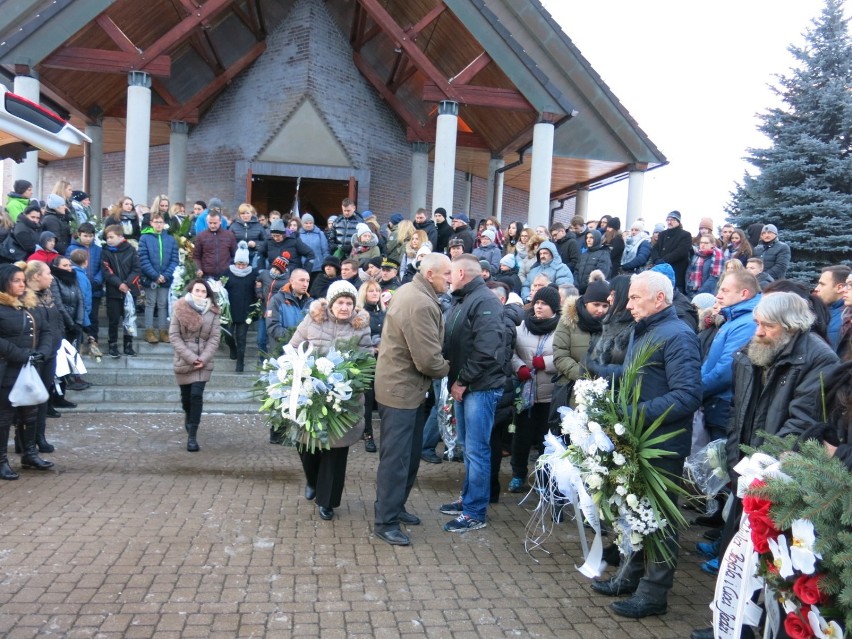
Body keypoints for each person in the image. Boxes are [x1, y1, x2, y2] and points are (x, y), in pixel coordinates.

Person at [591, 270, 702, 620]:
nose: (628, 304)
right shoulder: (645, 330)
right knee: (635, 513)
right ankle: (630, 575)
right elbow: (637, 377)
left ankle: (654, 593)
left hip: (662, 444)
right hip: (637, 439)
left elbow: (687, 395)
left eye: (635, 298)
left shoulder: (678, 335)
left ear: (659, 299)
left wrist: (633, 413)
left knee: (660, 520)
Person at [373, 254, 452, 545]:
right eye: (446, 274)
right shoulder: (418, 302)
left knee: (406, 456)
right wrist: (449, 367)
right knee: (396, 460)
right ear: (430, 273)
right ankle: (385, 521)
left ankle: (395, 508)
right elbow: (428, 361)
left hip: (406, 389)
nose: (451, 279)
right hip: (400, 391)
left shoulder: (414, 291)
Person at [289, 280, 373, 521]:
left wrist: (348, 382)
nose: (345, 307)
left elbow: (367, 361)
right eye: (340, 302)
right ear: (331, 302)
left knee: (335, 453)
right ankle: (313, 481)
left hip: (343, 399)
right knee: (306, 446)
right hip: (310, 396)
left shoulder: (360, 327)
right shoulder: (313, 319)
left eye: (349, 303)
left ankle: (327, 501)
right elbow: (293, 347)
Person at [439, 254, 506, 532]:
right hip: (465, 386)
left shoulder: (485, 301)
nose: (447, 279)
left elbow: (486, 348)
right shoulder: (464, 300)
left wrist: (463, 380)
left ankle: (475, 512)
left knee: (477, 450)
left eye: (450, 274)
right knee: (468, 448)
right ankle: (469, 499)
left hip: (479, 387)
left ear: (463, 274)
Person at [0, 263, 55, 479]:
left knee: (30, 412)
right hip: (6, 369)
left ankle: (29, 454)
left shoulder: (30, 304)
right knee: (4, 416)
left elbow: (46, 330)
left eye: (23, 280)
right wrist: (22, 354)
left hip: (29, 368)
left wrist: (42, 351)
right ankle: (1, 460)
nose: (22, 285)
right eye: (16, 281)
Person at [507, 285, 561, 493]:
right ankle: (518, 474)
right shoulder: (521, 327)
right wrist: (518, 367)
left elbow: (564, 356)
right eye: (537, 303)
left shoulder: (561, 329)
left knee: (545, 439)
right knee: (521, 437)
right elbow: (511, 352)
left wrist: (545, 363)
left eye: (544, 304)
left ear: (554, 307)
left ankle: (543, 478)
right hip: (525, 394)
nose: (539, 307)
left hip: (549, 395)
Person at [701, 271, 761, 443]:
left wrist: (696, 390)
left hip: (724, 405)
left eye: (725, 291)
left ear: (744, 293)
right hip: (716, 401)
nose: (718, 296)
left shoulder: (747, 323)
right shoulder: (734, 317)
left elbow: (726, 370)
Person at [169, 279, 221, 451]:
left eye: (203, 291)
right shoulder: (180, 309)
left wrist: (203, 358)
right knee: (186, 398)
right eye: (197, 290)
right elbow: (174, 336)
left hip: (203, 361)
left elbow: (214, 338)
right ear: (191, 291)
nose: (200, 294)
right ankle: (188, 416)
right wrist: (191, 358)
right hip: (184, 360)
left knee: (196, 396)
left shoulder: (213, 312)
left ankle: (192, 435)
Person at [138, 212, 179, 344]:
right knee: (150, 304)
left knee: (163, 304)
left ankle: (163, 331)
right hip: (151, 278)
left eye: (161, 222)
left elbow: (174, 259)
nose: (158, 225)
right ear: (151, 223)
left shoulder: (170, 239)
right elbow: (143, 259)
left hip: (165, 278)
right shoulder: (145, 238)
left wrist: (165, 275)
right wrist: (155, 275)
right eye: (156, 222)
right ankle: (149, 331)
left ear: (164, 224)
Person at [102, 224, 142, 358]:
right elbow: (106, 271)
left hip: (130, 291)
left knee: (129, 318)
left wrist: (127, 283)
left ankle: (128, 344)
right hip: (114, 291)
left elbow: (136, 269)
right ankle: (112, 344)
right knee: (113, 319)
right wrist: (119, 284)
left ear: (120, 236)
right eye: (107, 237)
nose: (109, 240)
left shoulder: (131, 250)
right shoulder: (106, 251)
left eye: (111, 237)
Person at [585, 275, 634, 381]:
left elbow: (630, 370)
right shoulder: (608, 322)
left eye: (612, 294)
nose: (608, 299)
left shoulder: (634, 328)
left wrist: (598, 369)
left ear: (623, 296)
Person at [357, 280, 386, 453]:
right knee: (367, 400)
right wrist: (373, 346)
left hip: (384, 361)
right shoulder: (359, 313)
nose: (375, 293)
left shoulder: (384, 312)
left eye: (377, 290)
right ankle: (367, 434)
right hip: (367, 361)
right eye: (371, 291)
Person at [67, 223, 104, 347]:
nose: (88, 238)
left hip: (95, 288)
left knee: (93, 316)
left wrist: (97, 280)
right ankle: (79, 341)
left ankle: (93, 341)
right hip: (77, 288)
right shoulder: (71, 249)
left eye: (90, 236)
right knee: (79, 315)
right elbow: (68, 266)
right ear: (79, 235)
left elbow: (102, 267)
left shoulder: (98, 250)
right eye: (85, 236)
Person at [224, 242, 258, 372]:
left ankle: (240, 363)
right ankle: (232, 348)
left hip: (245, 311)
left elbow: (257, 290)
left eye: (243, 264)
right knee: (228, 334)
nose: (241, 266)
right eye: (239, 264)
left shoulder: (253, 274)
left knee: (242, 338)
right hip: (230, 311)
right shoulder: (228, 273)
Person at [266, 268, 312, 353]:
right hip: (282, 355)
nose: (305, 284)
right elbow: (273, 327)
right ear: (291, 281)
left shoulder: (311, 303)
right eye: (302, 280)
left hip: (304, 355)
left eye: (307, 281)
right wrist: (297, 337)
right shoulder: (277, 300)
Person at [649, 210, 693, 293]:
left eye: (672, 219)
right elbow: (655, 249)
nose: (669, 222)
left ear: (678, 221)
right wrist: (656, 259)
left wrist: (664, 260)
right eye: (668, 219)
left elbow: (680, 252)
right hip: (660, 272)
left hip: (676, 273)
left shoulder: (685, 235)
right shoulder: (662, 234)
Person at [814, 265, 851, 350]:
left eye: (822, 284)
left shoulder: (844, 319)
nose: (816, 289)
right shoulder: (823, 311)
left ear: (839, 287)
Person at [193, 211, 236, 279]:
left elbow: (234, 255)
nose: (212, 225)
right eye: (210, 223)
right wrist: (199, 268)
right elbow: (196, 257)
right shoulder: (201, 236)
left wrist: (230, 268)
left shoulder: (229, 235)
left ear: (220, 221)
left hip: (226, 275)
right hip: (207, 276)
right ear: (207, 222)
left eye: (215, 223)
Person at [229, 203, 266, 268]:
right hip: (238, 258)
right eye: (243, 213)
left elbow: (266, 243)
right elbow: (228, 242)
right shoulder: (233, 226)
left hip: (253, 257)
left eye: (247, 213)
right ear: (239, 214)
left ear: (251, 213)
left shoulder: (259, 226)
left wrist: (256, 244)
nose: (245, 215)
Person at [298, 213, 329, 279]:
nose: (309, 225)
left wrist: (326, 264)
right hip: (304, 267)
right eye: (306, 223)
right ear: (302, 224)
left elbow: (325, 250)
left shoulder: (320, 234)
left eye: (310, 223)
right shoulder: (298, 235)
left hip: (318, 267)